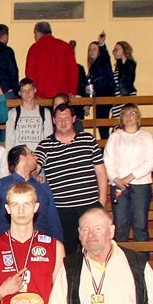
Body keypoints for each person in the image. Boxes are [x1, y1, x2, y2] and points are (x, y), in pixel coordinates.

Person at [34, 104, 108, 254]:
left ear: (74, 119)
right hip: (62, 211)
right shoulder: (45, 145)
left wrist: (102, 201)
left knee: (95, 250)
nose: (63, 122)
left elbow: (101, 171)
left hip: (90, 206)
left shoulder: (88, 139)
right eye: (59, 118)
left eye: (66, 118)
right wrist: (35, 174)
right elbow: (35, 166)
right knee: (67, 254)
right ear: (53, 120)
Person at [0, 145, 62, 243]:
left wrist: (58, 246)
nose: (36, 157)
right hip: (7, 244)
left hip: (41, 245)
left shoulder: (42, 186)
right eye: (32, 154)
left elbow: (53, 220)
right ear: (22, 158)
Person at [103, 104, 153, 243]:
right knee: (120, 227)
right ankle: (121, 262)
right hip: (119, 186)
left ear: (138, 116)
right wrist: (115, 179)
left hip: (141, 186)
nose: (128, 117)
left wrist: (131, 176)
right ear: (121, 117)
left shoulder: (147, 137)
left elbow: (151, 162)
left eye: (132, 113)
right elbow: (108, 160)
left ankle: (142, 263)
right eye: (125, 113)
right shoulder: (114, 137)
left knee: (140, 226)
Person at [25, 22, 77, 99]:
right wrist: (72, 91)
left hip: (42, 96)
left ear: (38, 33)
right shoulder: (66, 47)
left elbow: (30, 73)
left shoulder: (35, 48)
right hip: (63, 95)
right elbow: (73, 71)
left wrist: (34, 94)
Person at [4, 79, 53, 151]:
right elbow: (9, 140)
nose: (27, 93)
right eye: (24, 91)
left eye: (30, 90)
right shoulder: (13, 113)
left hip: (39, 155)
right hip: (21, 156)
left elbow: (48, 139)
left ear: (35, 90)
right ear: (19, 93)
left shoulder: (45, 112)